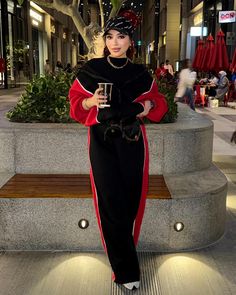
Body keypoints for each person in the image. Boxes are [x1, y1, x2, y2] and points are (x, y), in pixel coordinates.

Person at [69, 15, 168, 291]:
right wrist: (89, 100)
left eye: (121, 37)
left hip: (132, 141)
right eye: (110, 36)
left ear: (130, 42)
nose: (115, 42)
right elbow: (75, 104)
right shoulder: (91, 70)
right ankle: (125, 271)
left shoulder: (141, 74)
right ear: (104, 40)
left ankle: (124, 257)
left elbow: (159, 105)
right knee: (110, 201)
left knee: (131, 199)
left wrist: (146, 105)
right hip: (102, 142)